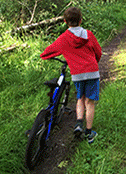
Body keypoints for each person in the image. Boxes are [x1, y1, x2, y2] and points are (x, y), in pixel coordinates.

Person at [40, 7, 102, 144]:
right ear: (81, 20)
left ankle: (79, 123)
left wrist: (44, 56)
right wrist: (94, 63)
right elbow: (98, 52)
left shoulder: (63, 39)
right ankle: (89, 133)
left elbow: (47, 52)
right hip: (92, 71)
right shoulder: (89, 35)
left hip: (77, 74)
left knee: (80, 98)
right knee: (90, 102)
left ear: (65, 21)